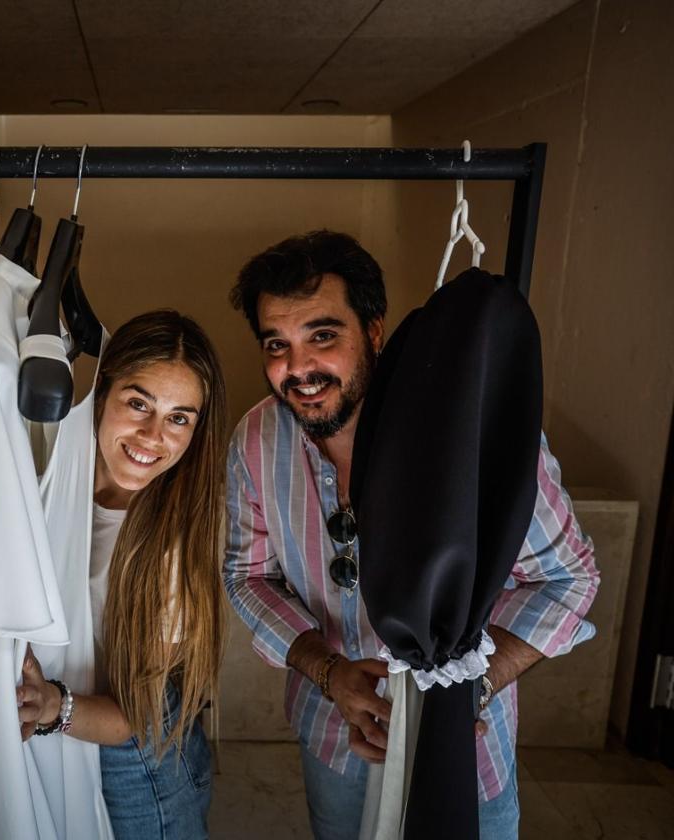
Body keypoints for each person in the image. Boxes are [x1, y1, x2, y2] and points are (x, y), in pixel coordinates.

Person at [222, 230, 599, 840]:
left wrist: (465, 693)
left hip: (462, 749)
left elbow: (569, 578)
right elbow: (247, 575)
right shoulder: (257, 440)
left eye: (323, 336)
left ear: (374, 331)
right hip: (332, 735)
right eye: (276, 344)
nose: (297, 369)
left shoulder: (472, 436)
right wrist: (327, 674)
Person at [16, 310, 229, 840]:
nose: (153, 436)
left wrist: (50, 707)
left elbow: (135, 719)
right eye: (139, 404)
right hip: (58, 741)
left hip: (137, 762)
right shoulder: (50, 474)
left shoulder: (169, 547)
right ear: (101, 392)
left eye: (180, 417)